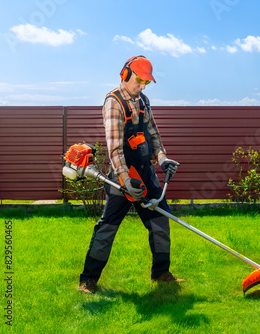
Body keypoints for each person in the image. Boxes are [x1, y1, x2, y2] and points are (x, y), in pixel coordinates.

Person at [78, 55, 182, 294]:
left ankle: (161, 272)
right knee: (108, 227)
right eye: (139, 80)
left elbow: (153, 134)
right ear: (125, 74)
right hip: (121, 175)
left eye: (146, 82)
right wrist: (125, 181)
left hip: (145, 170)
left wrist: (162, 158)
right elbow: (114, 148)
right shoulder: (113, 102)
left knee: (160, 221)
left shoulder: (143, 100)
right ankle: (88, 279)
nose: (142, 86)